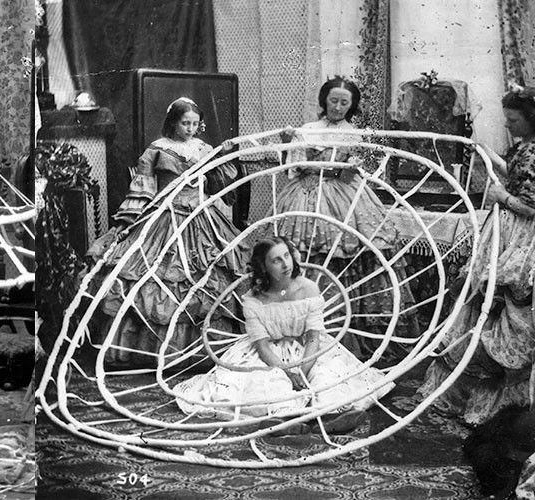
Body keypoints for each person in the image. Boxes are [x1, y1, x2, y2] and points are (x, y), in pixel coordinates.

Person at [172, 237, 394, 432]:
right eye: (276, 260)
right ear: (264, 267)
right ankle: (283, 419)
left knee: (326, 377)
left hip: (309, 350)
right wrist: (288, 372)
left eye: (287, 256)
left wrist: (302, 371)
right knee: (268, 381)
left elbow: (313, 337)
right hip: (268, 353)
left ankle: (330, 417)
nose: (285, 264)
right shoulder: (253, 299)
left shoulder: (308, 288)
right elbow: (262, 346)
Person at [87, 97, 247, 365]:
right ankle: (150, 350)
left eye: (195, 124)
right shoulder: (157, 149)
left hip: (201, 218)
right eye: (185, 123)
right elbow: (143, 187)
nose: (190, 129)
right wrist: (129, 221)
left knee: (212, 273)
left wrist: (221, 156)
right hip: (165, 216)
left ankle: (206, 348)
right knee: (154, 273)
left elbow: (217, 185)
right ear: (173, 122)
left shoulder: (204, 149)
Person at [274, 76, 418, 359]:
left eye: (344, 103)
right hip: (306, 193)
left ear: (351, 106)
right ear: (324, 101)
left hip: (343, 195)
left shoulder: (353, 134)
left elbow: (352, 172)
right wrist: (289, 143)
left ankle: (349, 332)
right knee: (305, 253)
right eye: (333, 101)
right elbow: (292, 169)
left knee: (351, 251)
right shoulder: (308, 130)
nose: (337, 107)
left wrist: (346, 168)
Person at [417, 84, 535, 425]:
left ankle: (501, 408)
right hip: (507, 229)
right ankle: (473, 398)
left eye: (513, 120)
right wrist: (487, 154)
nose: (508, 124)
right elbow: (518, 177)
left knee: (501, 303)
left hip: (521, 237)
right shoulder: (525, 146)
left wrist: (502, 197)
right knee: (481, 302)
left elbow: (531, 205)